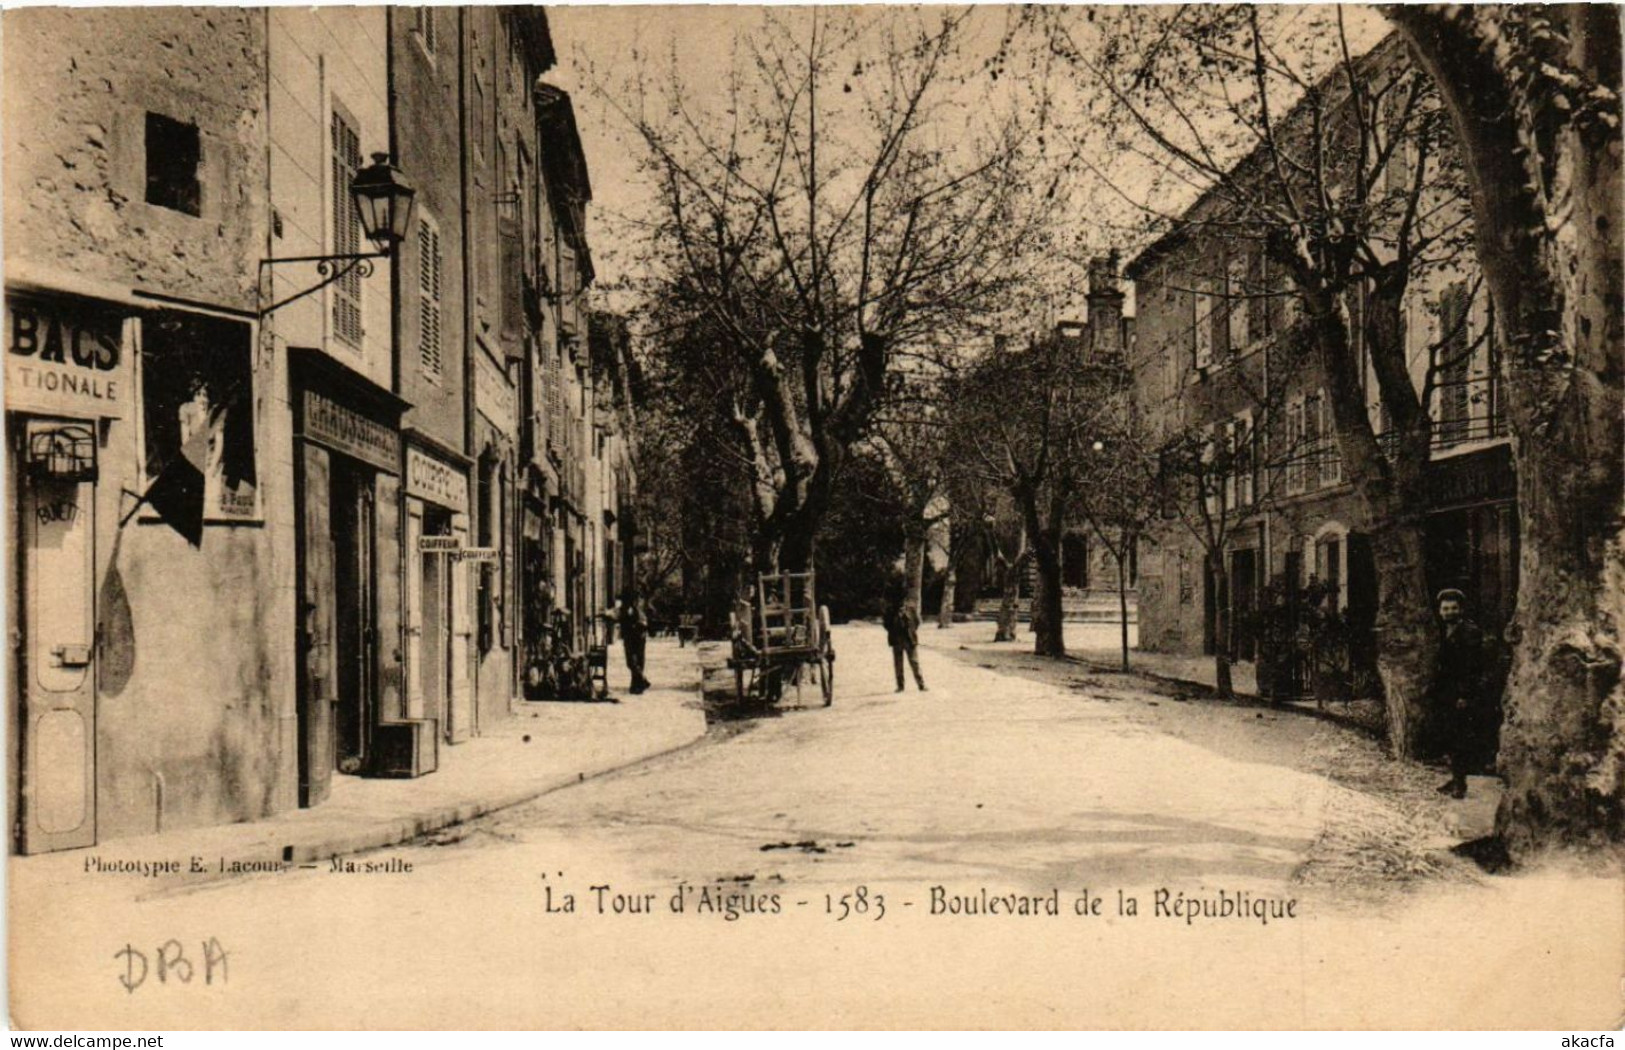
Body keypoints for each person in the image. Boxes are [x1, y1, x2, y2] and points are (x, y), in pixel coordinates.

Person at [1431, 588, 1490, 799]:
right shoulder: (1443, 631)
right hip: (1447, 693)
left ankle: (1460, 784)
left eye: (1454, 608)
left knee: (1460, 739)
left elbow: (1472, 668)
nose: (1449, 612)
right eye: (1445, 608)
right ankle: (1456, 778)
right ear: (1439, 611)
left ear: (1461, 610)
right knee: (1449, 737)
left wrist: (1464, 695)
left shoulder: (1469, 632)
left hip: (1462, 694)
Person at [883, 592, 926, 693]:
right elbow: (886, 624)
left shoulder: (911, 609)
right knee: (898, 664)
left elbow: (917, 622)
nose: (900, 603)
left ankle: (921, 684)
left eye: (902, 600)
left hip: (909, 640)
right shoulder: (890, 611)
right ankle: (900, 686)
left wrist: (911, 631)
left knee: (914, 663)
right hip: (896, 640)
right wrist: (893, 631)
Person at [618, 590, 651, 694]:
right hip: (639, 638)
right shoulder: (637, 609)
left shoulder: (630, 609)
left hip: (632, 638)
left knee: (632, 662)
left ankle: (642, 680)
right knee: (638, 661)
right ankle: (636, 686)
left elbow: (634, 623)